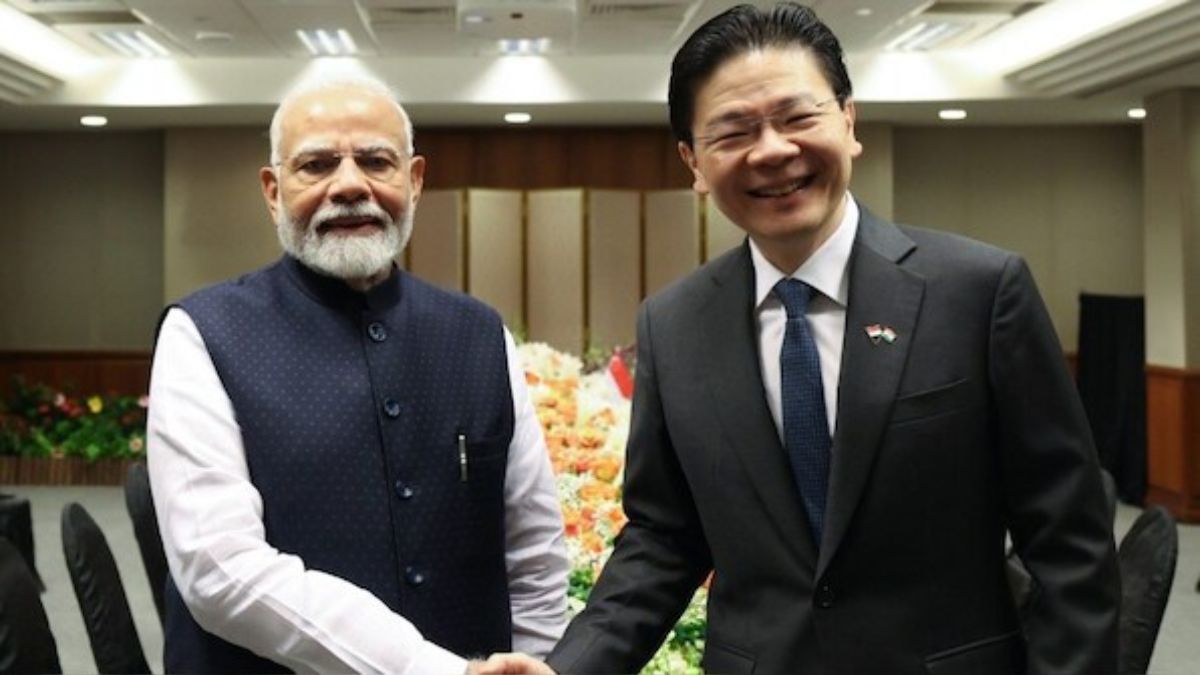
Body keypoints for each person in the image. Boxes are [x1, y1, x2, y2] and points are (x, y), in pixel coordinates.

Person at [487, 4, 1120, 674]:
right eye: (733, 131)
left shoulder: (978, 292)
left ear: (848, 122)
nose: (772, 150)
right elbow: (665, 536)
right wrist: (568, 667)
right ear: (693, 163)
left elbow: (1069, 541)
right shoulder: (673, 326)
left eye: (796, 116)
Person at [146, 73, 568, 674]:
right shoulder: (202, 334)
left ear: (414, 182)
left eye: (376, 161)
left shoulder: (478, 333)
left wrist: (530, 661)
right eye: (316, 165)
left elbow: (534, 548)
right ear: (272, 191)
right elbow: (218, 568)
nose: (349, 185)